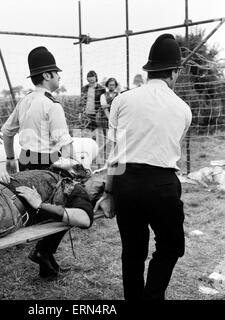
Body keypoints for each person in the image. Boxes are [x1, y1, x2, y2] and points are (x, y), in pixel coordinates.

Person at [95, 34, 192, 300]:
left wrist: (108, 194)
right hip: (162, 184)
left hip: (127, 182)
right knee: (171, 247)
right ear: (174, 71)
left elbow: (115, 155)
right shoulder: (183, 109)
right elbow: (170, 150)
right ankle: (153, 296)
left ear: (149, 70)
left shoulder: (122, 100)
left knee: (133, 251)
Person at [1, 46, 76, 174]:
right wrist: (72, 170)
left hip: (24, 160)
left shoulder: (24, 101)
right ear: (47, 75)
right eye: (56, 72)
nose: (59, 76)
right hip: (47, 163)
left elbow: (7, 132)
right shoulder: (52, 105)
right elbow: (66, 145)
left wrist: (10, 159)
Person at [98, 77, 119, 164]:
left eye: (113, 85)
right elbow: (104, 108)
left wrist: (108, 105)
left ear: (115, 85)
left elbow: (118, 107)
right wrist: (110, 118)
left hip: (116, 120)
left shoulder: (119, 94)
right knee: (105, 139)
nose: (112, 86)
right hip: (104, 119)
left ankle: (113, 158)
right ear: (107, 85)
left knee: (115, 139)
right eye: (110, 85)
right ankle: (103, 159)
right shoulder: (103, 96)